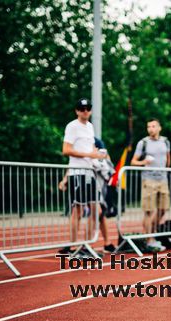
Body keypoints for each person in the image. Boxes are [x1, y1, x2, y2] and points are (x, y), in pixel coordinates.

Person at [59, 98, 104, 257]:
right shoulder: (72, 126)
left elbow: (90, 148)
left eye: (88, 108)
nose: (85, 111)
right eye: (82, 108)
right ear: (77, 111)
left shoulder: (90, 127)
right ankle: (71, 247)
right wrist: (89, 154)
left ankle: (85, 245)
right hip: (77, 173)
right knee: (77, 210)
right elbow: (66, 149)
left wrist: (96, 158)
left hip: (89, 172)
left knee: (95, 209)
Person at [131, 118, 171, 253]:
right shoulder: (143, 143)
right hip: (149, 179)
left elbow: (168, 159)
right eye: (149, 127)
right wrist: (144, 162)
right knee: (149, 211)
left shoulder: (165, 141)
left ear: (159, 128)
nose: (151, 129)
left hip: (163, 179)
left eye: (154, 126)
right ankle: (149, 239)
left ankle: (151, 233)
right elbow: (133, 162)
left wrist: (166, 170)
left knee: (163, 209)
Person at [93, 138, 116, 252]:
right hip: (87, 185)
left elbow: (108, 166)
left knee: (100, 214)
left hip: (100, 188)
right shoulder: (80, 141)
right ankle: (83, 245)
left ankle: (107, 242)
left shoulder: (97, 141)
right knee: (95, 213)